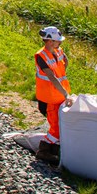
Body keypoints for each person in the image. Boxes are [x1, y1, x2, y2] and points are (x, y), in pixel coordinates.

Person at [34, 26, 72, 160]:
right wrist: (66, 94)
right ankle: (43, 151)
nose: (60, 43)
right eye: (58, 41)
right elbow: (52, 77)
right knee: (55, 128)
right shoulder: (41, 56)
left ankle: (54, 151)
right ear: (49, 42)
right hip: (48, 99)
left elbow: (65, 62)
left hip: (58, 96)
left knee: (59, 126)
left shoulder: (58, 51)